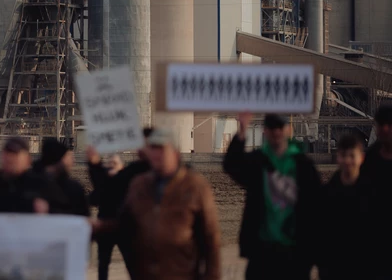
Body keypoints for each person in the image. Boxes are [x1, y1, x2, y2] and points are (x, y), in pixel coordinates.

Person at [224, 113, 321, 280]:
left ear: (288, 130)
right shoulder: (257, 162)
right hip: (262, 253)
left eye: (280, 127)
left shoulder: (303, 165)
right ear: (265, 132)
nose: (276, 132)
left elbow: (317, 208)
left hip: (294, 253)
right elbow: (232, 165)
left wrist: (314, 252)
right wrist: (242, 131)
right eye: (272, 128)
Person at [116, 128, 220, 280]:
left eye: (161, 149)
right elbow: (123, 225)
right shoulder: (139, 185)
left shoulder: (195, 186)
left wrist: (212, 276)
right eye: (153, 149)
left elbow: (211, 238)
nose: (156, 154)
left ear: (176, 154)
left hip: (181, 274)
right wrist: (93, 227)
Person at [87, 128, 153, 280]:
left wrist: (95, 165)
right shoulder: (126, 178)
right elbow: (95, 197)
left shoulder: (129, 178)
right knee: (106, 263)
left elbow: (96, 196)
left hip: (119, 226)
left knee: (127, 261)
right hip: (112, 226)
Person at [0, 137, 64, 216]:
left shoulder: (45, 188)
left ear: (27, 159)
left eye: (15, 154)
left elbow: (67, 218)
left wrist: (48, 211)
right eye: (7, 153)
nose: (10, 158)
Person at [318, 133, 366, 280]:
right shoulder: (327, 194)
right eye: (344, 155)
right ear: (338, 157)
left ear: (361, 158)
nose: (347, 160)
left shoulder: (373, 192)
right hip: (334, 268)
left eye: (352, 156)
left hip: (365, 266)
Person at [358, 105, 392, 279]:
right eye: (381, 124)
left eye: (389, 124)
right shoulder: (371, 159)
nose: (385, 129)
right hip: (375, 238)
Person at [33, 138, 89, 216]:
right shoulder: (73, 188)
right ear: (59, 159)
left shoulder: (29, 181)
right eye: (69, 157)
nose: (73, 161)